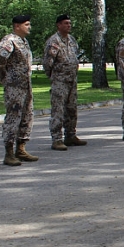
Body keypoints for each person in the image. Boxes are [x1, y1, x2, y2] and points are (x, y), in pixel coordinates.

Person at [0, 15, 38, 166]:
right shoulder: (9, 41)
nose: (29, 27)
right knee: (13, 118)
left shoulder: (24, 42)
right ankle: (9, 153)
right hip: (14, 88)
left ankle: (21, 149)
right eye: (26, 24)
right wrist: (5, 79)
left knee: (27, 116)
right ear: (17, 26)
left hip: (26, 86)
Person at [43, 14, 86, 151]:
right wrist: (54, 76)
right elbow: (47, 63)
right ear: (59, 25)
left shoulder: (72, 40)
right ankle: (56, 139)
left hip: (72, 81)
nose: (69, 25)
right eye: (66, 23)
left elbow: (75, 56)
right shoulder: (53, 41)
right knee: (58, 110)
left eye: (69, 23)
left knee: (72, 109)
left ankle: (70, 135)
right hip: (60, 81)